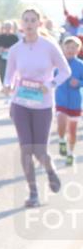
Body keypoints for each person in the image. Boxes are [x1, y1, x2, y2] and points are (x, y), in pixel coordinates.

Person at [4, 9, 72, 208]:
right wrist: (7, 84)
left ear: (39, 24)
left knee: (39, 150)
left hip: (42, 103)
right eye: (26, 20)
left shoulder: (49, 46)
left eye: (33, 20)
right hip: (21, 102)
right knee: (26, 148)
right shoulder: (16, 49)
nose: (30, 24)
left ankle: (50, 171)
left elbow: (65, 71)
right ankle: (33, 192)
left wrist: (50, 84)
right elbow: (9, 74)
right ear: (21, 25)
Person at [56, 37, 83, 166]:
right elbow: (49, 77)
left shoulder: (80, 65)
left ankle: (70, 153)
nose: (70, 50)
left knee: (72, 131)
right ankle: (61, 140)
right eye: (68, 47)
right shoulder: (58, 64)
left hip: (75, 102)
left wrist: (79, 83)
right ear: (63, 48)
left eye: (74, 48)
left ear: (78, 50)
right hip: (61, 100)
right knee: (61, 120)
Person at [0, 21, 19, 103]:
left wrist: (10, 49)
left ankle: (12, 91)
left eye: (9, 27)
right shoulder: (0, 37)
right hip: (3, 58)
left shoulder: (14, 37)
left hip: (12, 59)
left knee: (12, 74)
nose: (7, 29)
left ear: (12, 28)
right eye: (6, 27)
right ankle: (6, 91)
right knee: (3, 74)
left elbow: (17, 47)